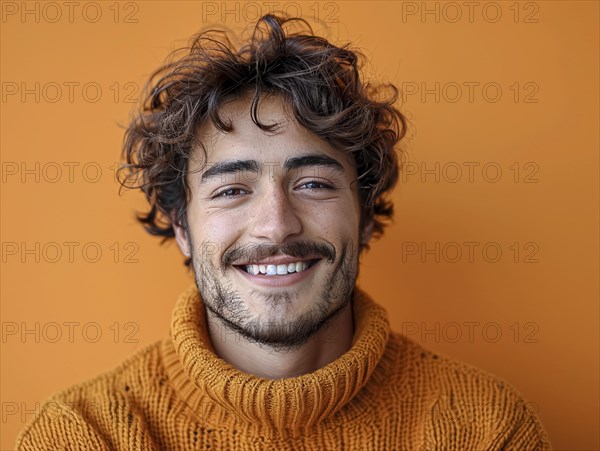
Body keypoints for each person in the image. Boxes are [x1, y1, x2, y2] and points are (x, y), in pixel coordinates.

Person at [16, 14, 551, 450]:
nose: (277, 223)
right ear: (182, 226)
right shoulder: (86, 433)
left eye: (314, 183)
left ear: (364, 216)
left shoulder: (483, 430)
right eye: (231, 190)